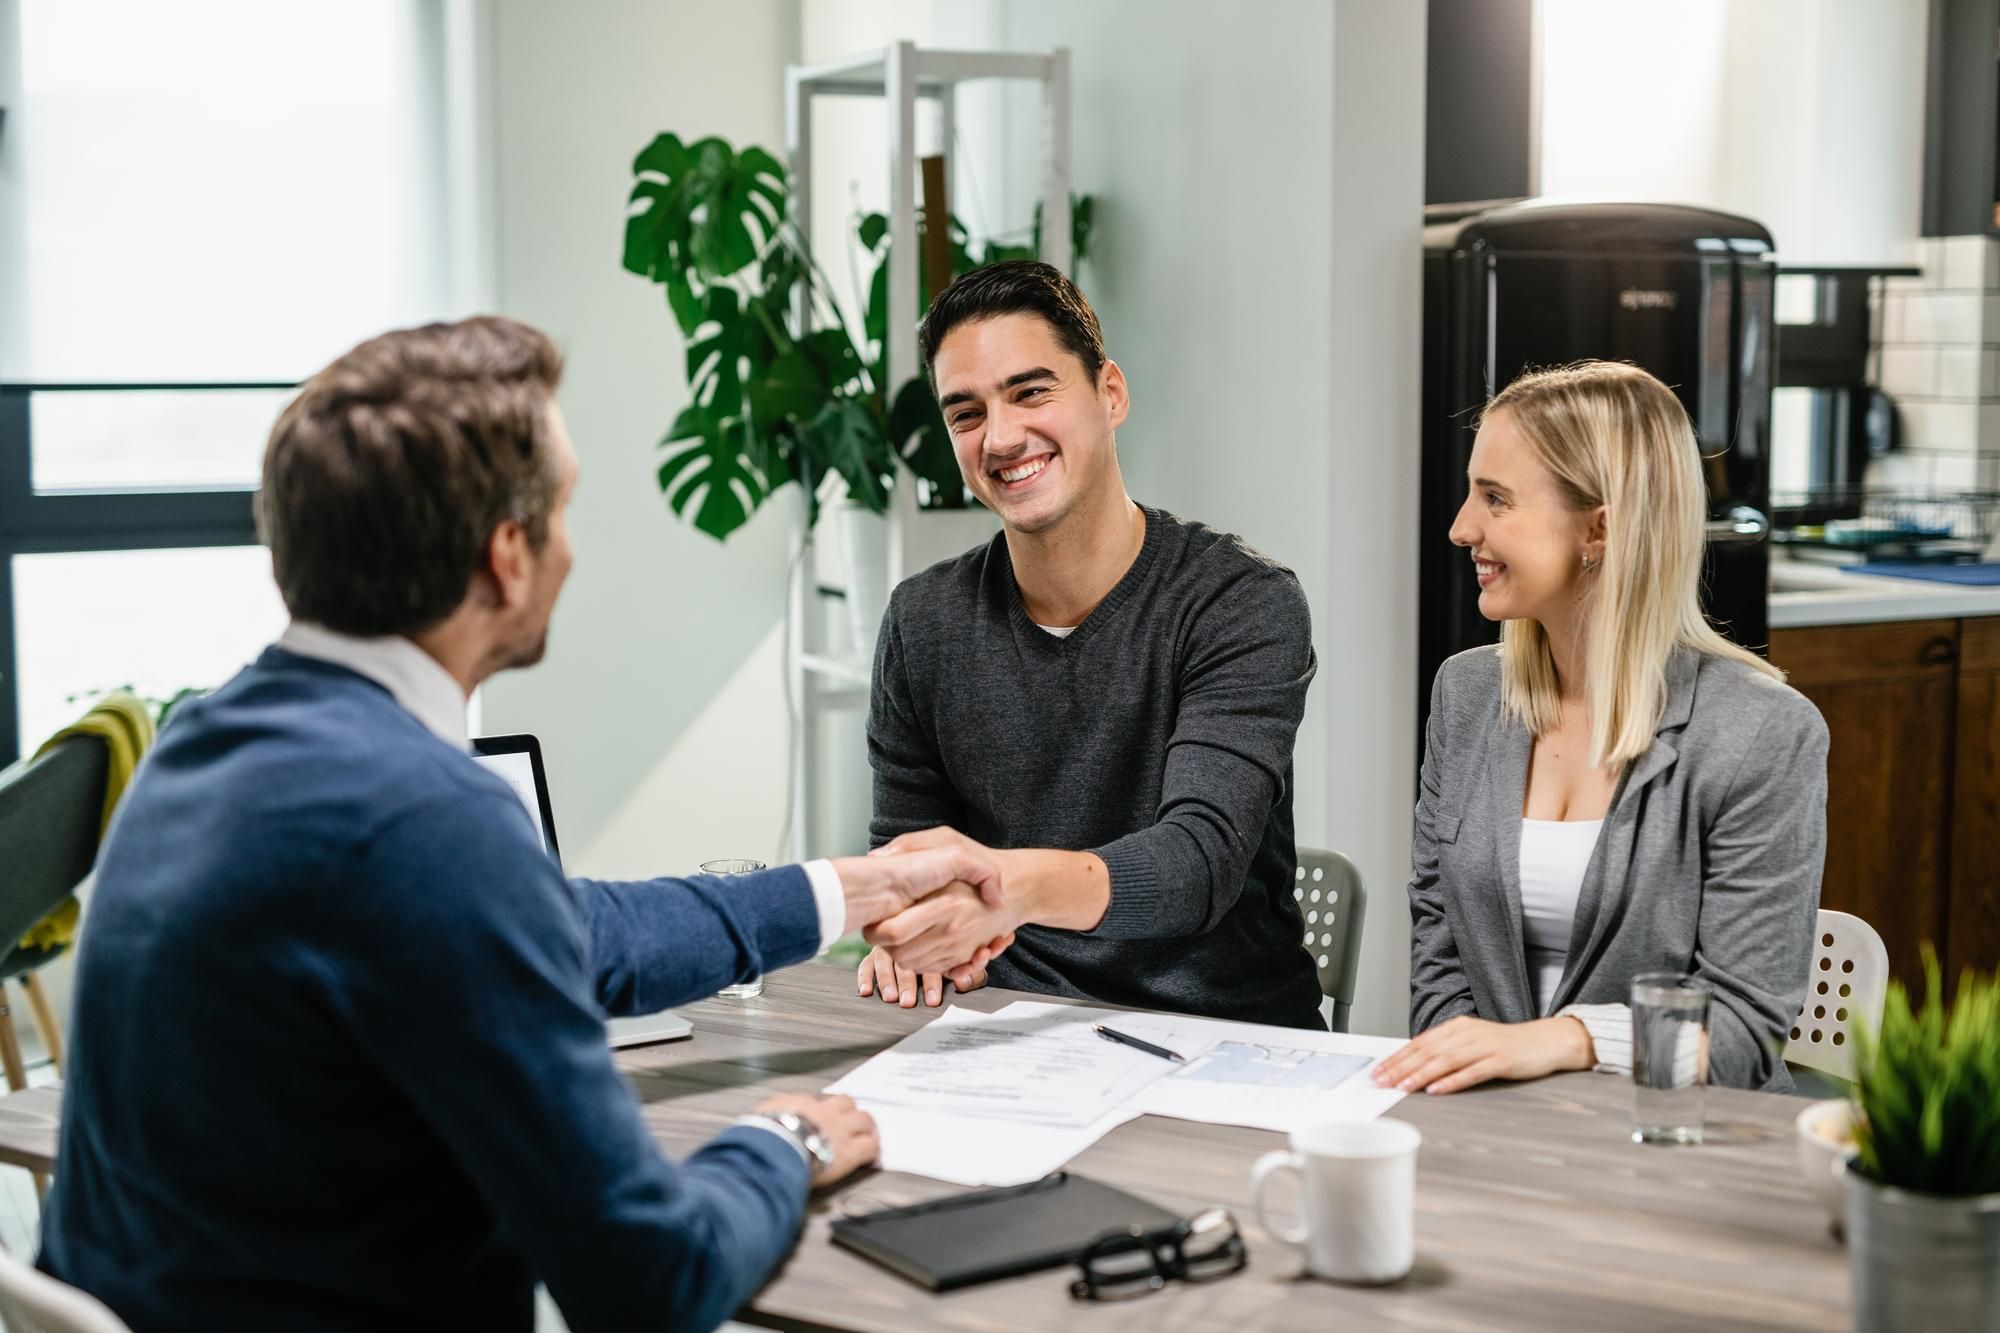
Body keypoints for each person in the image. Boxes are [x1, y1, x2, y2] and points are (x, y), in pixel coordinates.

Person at [37, 317, 1006, 1333]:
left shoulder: (199, 744)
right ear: (507, 555)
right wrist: (779, 1141)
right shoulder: (427, 822)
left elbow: (559, 931)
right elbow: (650, 1282)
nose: (571, 548)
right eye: (564, 509)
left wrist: (850, 886)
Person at [854, 261, 1324, 1030]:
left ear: (1110, 394)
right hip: (1002, 1030)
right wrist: (906, 928)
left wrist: (1002, 886)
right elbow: (908, 863)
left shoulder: (1239, 603)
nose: (1001, 436)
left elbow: (1193, 866)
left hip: (1221, 1041)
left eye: (1031, 391)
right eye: (965, 412)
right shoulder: (923, 621)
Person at [1373, 360, 1827, 1097]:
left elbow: (1742, 1036)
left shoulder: (1762, 732)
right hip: (1490, 1131)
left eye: (1496, 498)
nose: (1462, 527)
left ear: (1601, 526)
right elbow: (1438, 946)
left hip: (1676, 1141)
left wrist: (1563, 1041)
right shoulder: (1467, 694)